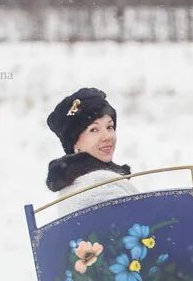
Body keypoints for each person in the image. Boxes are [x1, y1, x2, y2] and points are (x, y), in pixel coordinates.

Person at [45, 87, 138, 218]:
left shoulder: (71, 183)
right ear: (75, 142)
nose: (107, 136)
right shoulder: (101, 184)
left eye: (109, 127)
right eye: (94, 130)